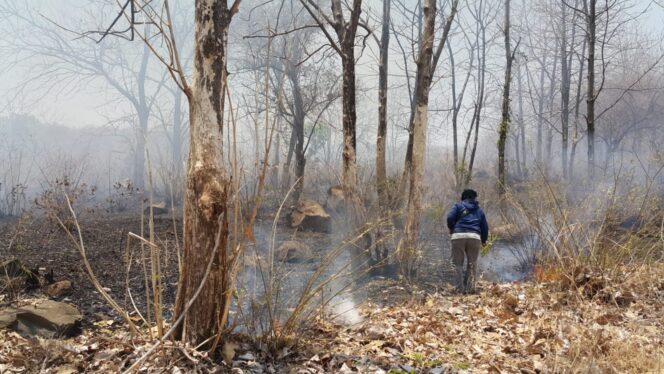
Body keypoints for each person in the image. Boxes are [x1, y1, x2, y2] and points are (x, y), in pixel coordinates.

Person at [446, 189, 489, 294]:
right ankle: (470, 289)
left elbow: (449, 217)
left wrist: (452, 229)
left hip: (458, 235)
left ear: (463, 197)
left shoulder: (458, 206)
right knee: (472, 264)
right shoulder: (479, 210)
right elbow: (485, 227)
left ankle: (459, 289)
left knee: (457, 264)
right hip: (474, 237)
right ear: (474, 198)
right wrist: (484, 240)